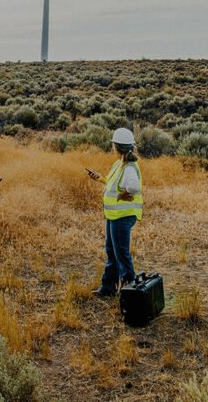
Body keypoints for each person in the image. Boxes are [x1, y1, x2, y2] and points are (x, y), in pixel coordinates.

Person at [86, 127, 143, 297]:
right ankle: (108, 288)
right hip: (114, 216)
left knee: (122, 255)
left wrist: (126, 194)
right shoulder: (120, 164)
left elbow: (133, 186)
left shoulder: (129, 167)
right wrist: (100, 178)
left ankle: (131, 295)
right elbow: (113, 185)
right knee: (112, 251)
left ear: (116, 147)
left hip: (122, 217)